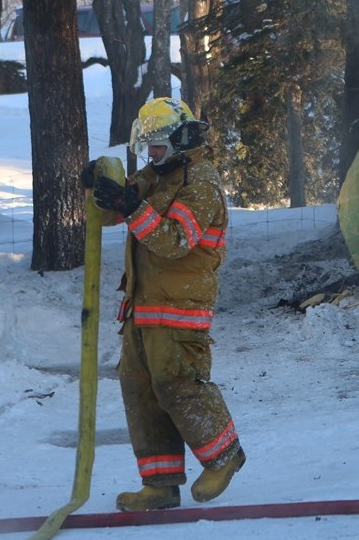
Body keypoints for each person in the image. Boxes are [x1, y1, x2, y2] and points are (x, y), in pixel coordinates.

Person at [82, 97, 245, 512]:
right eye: (148, 147)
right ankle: (159, 484)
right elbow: (110, 216)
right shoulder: (156, 175)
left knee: (178, 384)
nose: (151, 155)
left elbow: (175, 241)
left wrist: (131, 206)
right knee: (139, 391)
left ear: (180, 139)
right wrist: (98, 190)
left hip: (179, 306)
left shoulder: (200, 183)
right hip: (142, 306)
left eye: (157, 146)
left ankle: (224, 456)